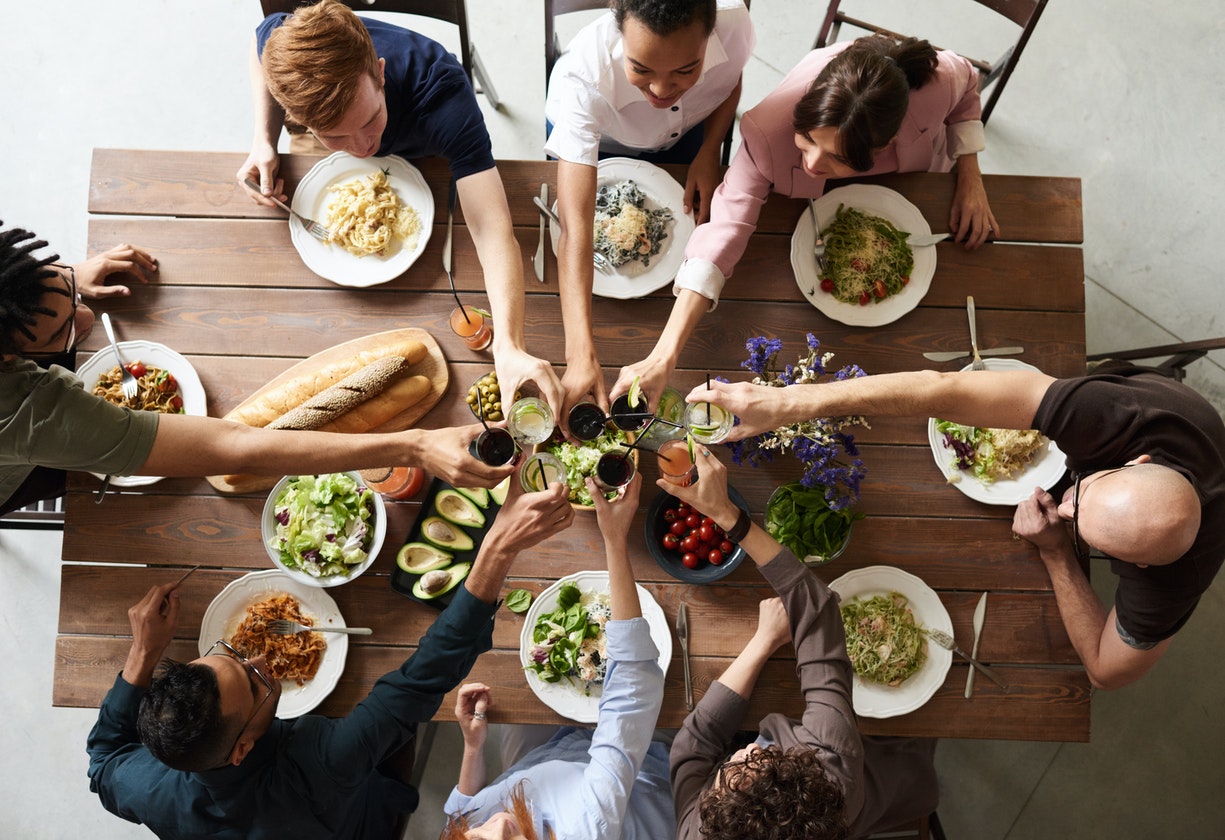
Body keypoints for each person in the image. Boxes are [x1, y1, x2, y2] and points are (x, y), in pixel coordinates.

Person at [687, 360, 1225, 690]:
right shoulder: (1117, 415)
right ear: (1137, 462)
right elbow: (940, 388)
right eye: (1081, 494)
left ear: (1138, 566)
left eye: (1079, 524)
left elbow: (1106, 672)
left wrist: (1058, 554)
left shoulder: (1174, 581)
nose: (1062, 507)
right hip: (1139, 401)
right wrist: (787, 402)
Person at [86, 476, 575, 839]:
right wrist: (498, 547)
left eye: (232, 656)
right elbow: (423, 678)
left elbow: (102, 760)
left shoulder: (148, 786)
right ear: (240, 750)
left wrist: (144, 653)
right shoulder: (321, 764)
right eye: (255, 685)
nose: (259, 662)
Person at [0, 222, 511, 515]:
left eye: (66, 288)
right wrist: (416, 444)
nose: (90, 318)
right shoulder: (31, 413)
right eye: (63, 333)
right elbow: (232, 445)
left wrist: (61, 287)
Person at [612, 35, 999, 412]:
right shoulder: (766, 131)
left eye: (837, 158)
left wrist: (970, 172)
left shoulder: (937, 84)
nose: (812, 164)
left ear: (884, 145)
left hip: (914, 187)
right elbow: (724, 228)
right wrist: (664, 354)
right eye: (808, 139)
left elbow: (968, 85)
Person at [238, 0, 562, 420]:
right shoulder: (288, 49)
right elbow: (261, 34)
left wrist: (509, 345)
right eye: (335, 137)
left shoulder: (441, 91)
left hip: (428, 157)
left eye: (370, 120)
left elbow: (491, 225)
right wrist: (264, 139)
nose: (361, 149)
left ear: (381, 72)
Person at [665, 449, 937, 838]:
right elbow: (818, 610)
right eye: (759, 763)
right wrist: (729, 516)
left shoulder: (699, 831)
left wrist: (762, 642)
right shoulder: (832, 770)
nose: (744, 752)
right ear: (802, 776)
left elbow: (692, 747)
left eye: (728, 774)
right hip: (890, 774)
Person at [546, 0, 753, 420]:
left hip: (691, 133)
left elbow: (731, 80)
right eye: (641, 69)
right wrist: (579, 353)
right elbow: (576, 231)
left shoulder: (735, 26)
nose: (660, 90)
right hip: (603, 140)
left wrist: (710, 149)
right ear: (618, 27)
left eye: (685, 70)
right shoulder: (582, 79)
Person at [439, 473, 676, 838]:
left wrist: (473, 748)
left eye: (479, 836)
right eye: (510, 838)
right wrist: (614, 538)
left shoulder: (469, 829)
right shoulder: (588, 825)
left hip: (545, 763)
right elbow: (632, 693)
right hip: (644, 774)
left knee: (517, 696)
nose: (499, 823)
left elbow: (462, 812)